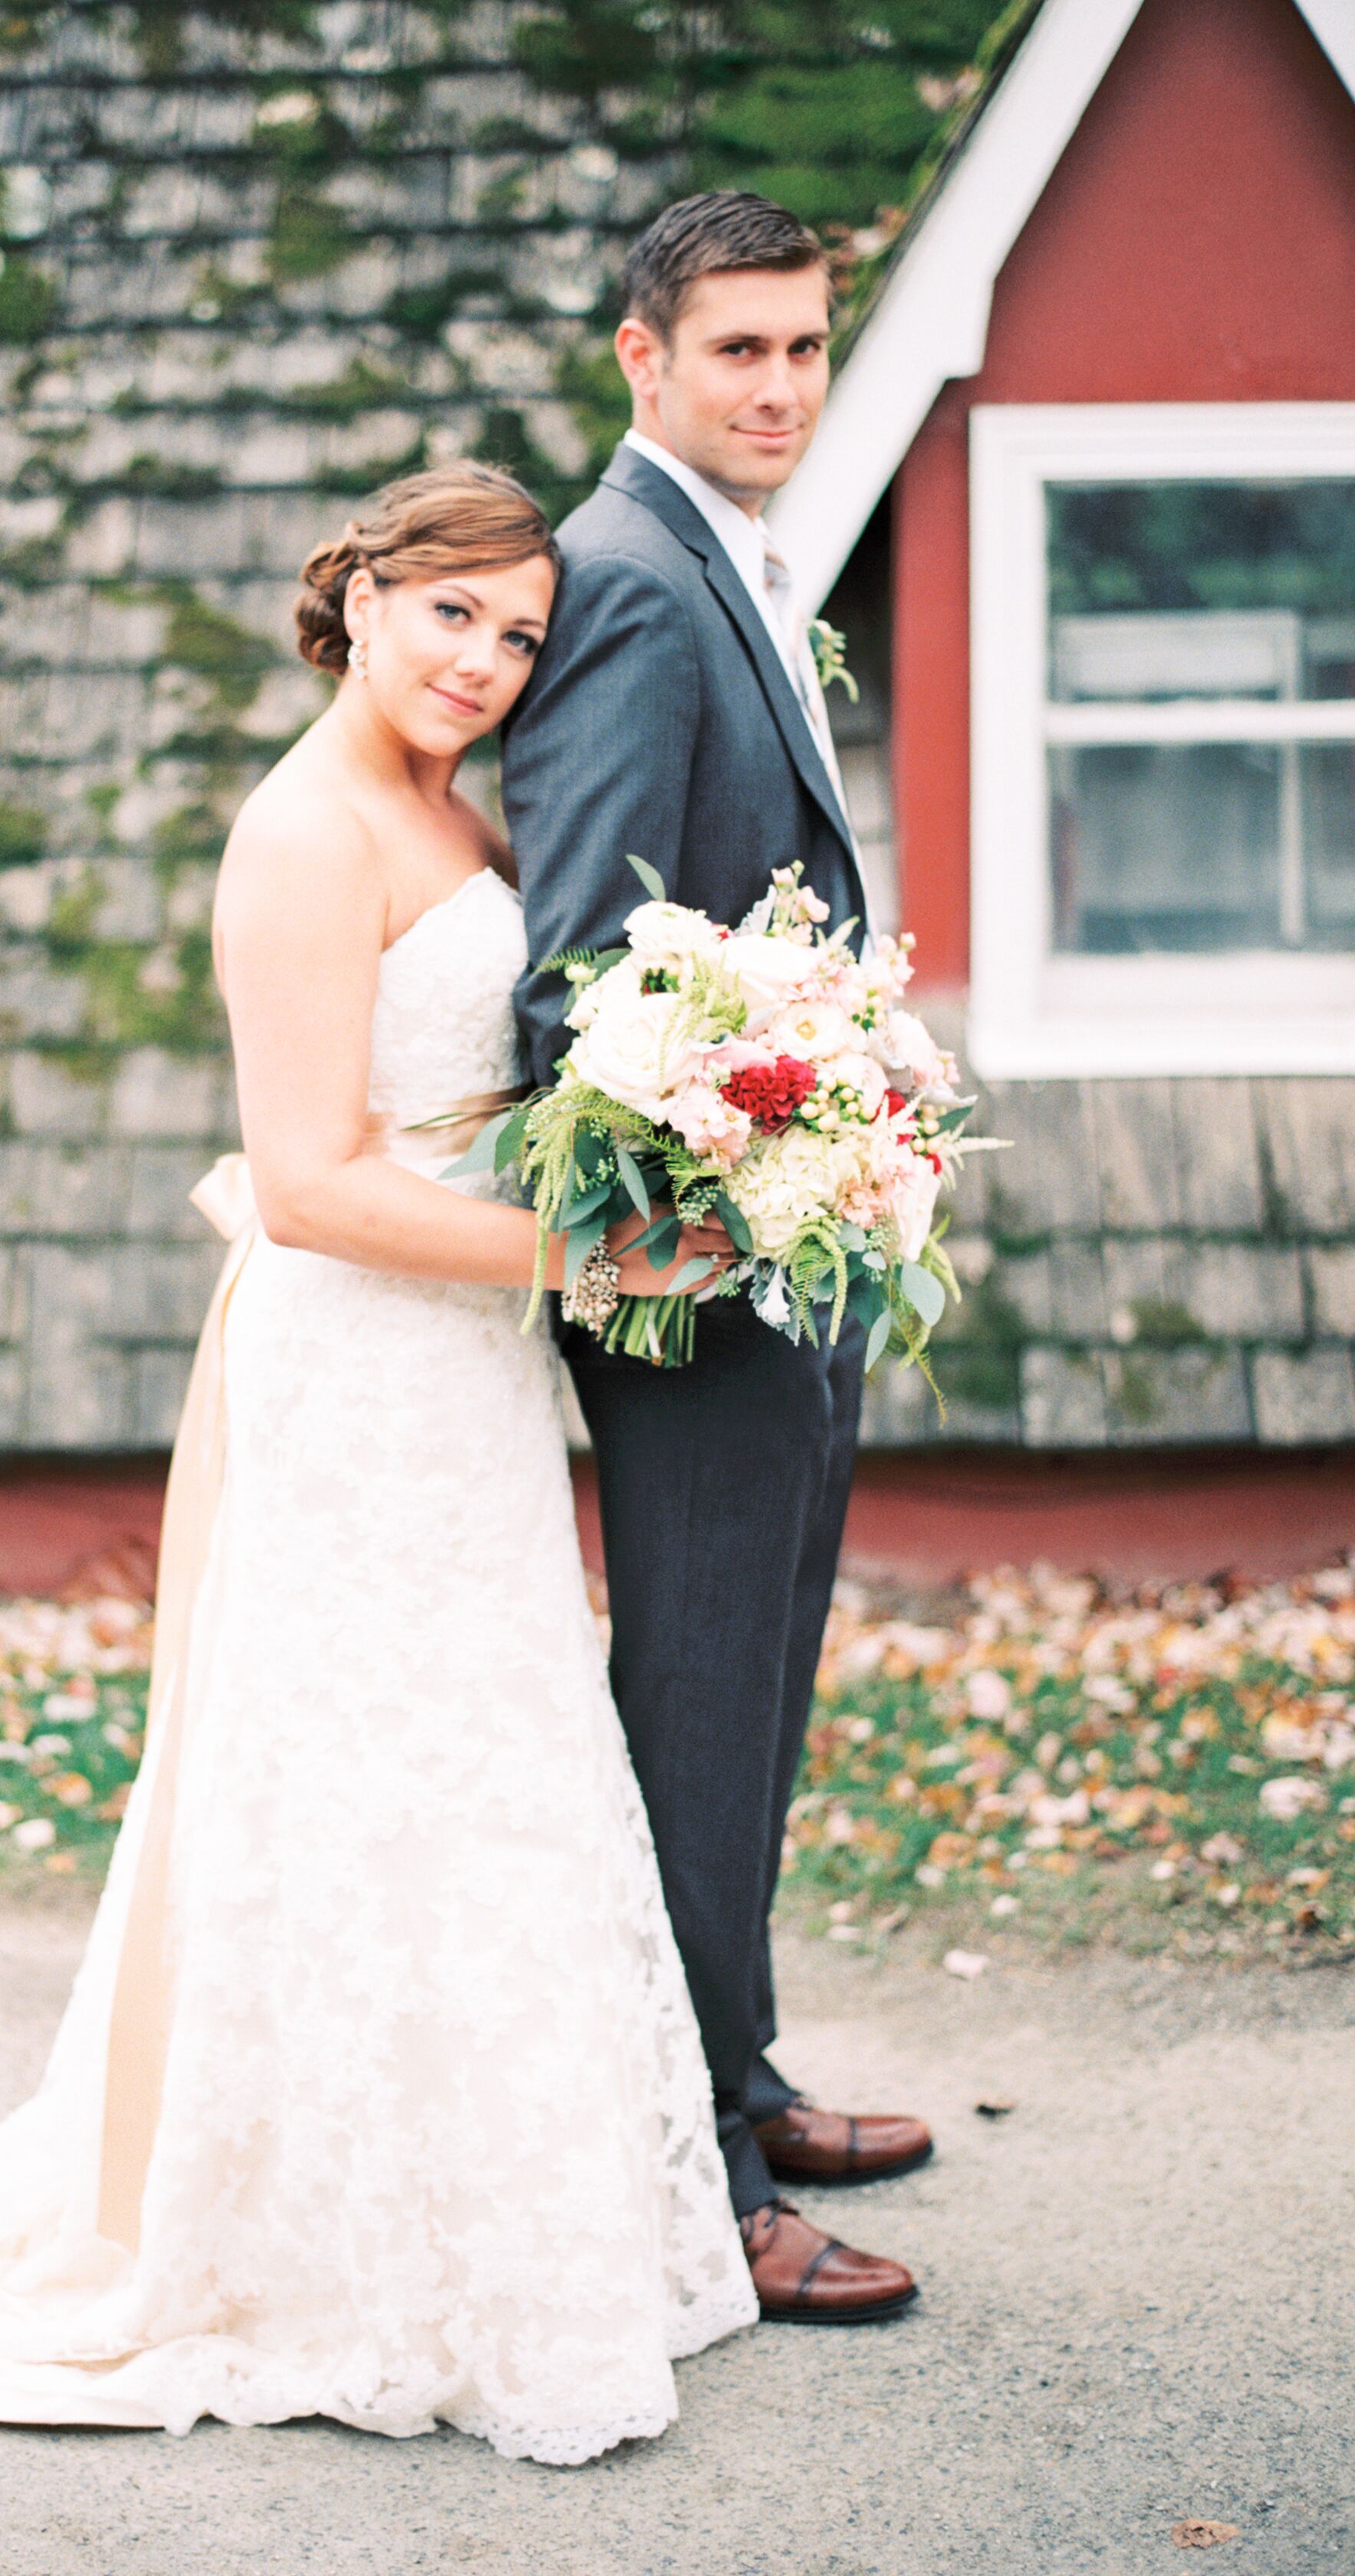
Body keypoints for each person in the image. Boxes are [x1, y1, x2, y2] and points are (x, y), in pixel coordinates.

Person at [0, 463, 761, 2465]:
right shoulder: (298, 834)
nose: (485, 663)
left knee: (484, 1770)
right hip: (356, 1374)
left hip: (468, 1387)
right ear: (358, 595)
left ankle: (486, 2212)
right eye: (451, 616)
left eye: (520, 636)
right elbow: (315, 1187)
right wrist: (583, 1251)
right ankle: (292, 2239)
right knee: (341, 1778)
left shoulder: (452, 808)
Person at [503, 190, 930, 2324]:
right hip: (693, 1264)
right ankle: (692, 2172)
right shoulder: (628, 587)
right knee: (692, 1692)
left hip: (793, 1240)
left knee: (749, 1680)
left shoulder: (721, 563)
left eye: (800, 348)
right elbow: (579, 963)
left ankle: (735, 2077)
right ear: (639, 357)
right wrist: (726, 1182)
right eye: (735, 349)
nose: (775, 387)